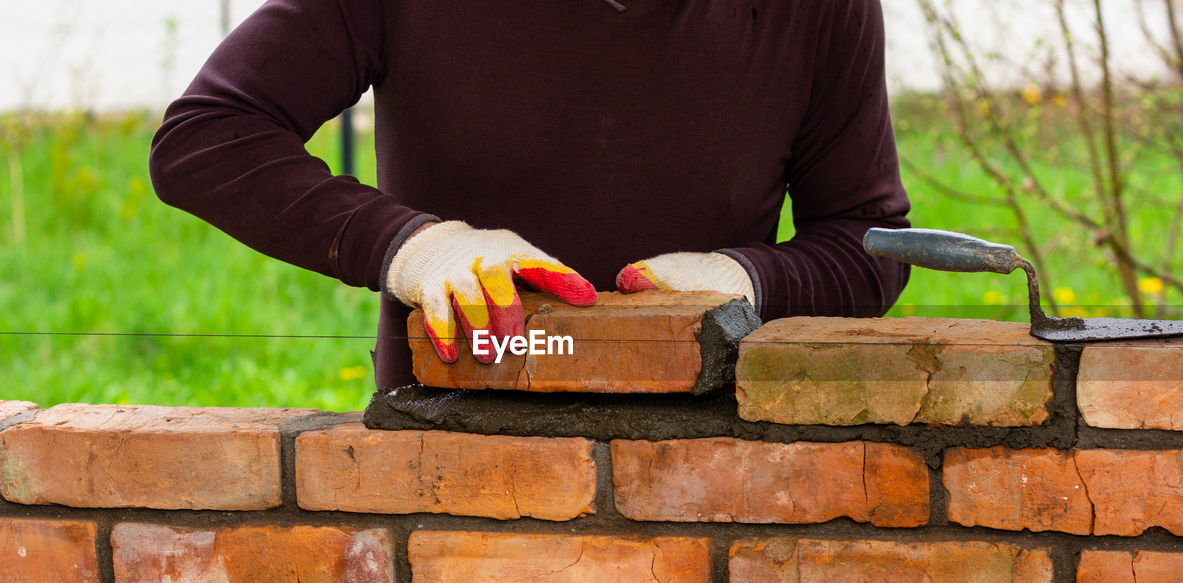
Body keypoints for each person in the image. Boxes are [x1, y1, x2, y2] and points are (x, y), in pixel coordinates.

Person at [150, 0, 911, 390]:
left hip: (708, 484)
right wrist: (414, 247)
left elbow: (867, 242)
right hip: (445, 464)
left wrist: (745, 281)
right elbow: (208, 135)